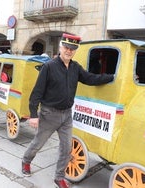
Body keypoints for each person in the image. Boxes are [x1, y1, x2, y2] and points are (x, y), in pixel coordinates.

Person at [21, 33, 114, 188]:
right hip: (49, 114)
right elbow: (36, 93)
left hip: (66, 115)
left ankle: (59, 177)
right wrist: (33, 115)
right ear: (60, 47)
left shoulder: (75, 67)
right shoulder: (49, 67)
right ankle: (26, 161)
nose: (69, 51)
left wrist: (111, 77)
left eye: (72, 49)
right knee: (38, 143)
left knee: (67, 148)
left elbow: (91, 79)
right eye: (66, 47)